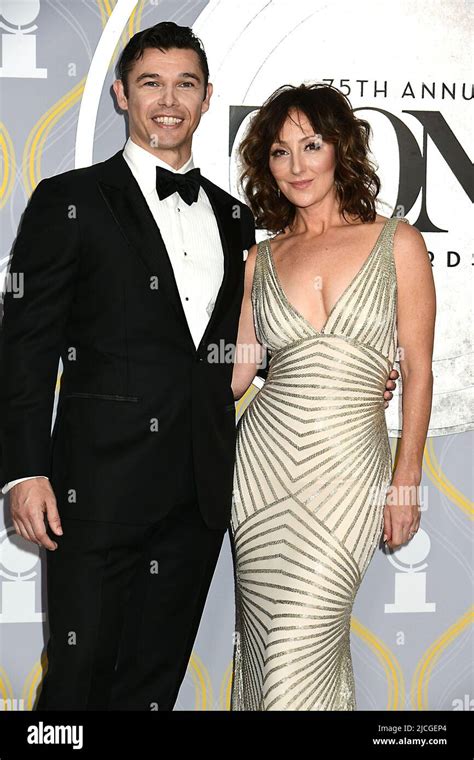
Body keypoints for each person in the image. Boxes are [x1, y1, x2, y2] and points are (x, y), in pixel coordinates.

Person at [0, 22, 398, 710]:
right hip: (94, 492)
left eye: (185, 82)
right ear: (121, 95)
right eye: (150, 82)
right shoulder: (70, 202)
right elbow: (25, 346)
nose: (168, 99)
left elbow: (236, 355)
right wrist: (24, 468)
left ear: (208, 97)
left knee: (154, 681)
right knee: (77, 678)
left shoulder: (236, 219)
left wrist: (341, 370)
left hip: (199, 491)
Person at [230, 83, 435, 710]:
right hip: (261, 471)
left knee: (304, 641)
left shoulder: (397, 242)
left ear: (339, 148)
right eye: (279, 152)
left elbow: (420, 372)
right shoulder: (258, 259)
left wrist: (407, 480)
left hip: (349, 468)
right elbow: (235, 375)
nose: (296, 166)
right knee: (268, 644)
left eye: (310, 146)